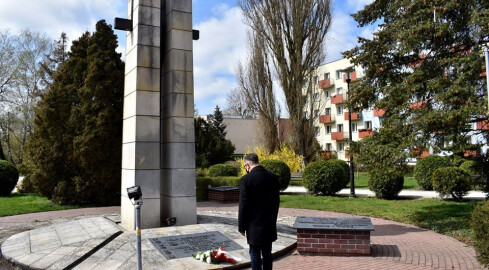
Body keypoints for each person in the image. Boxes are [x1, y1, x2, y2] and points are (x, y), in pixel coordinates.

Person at [238, 153, 280, 270]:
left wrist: (241, 227)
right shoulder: (273, 177)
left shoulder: (246, 180)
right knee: (267, 253)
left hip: (253, 225)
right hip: (269, 223)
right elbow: (276, 202)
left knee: (255, 253)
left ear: (247, 165)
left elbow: (243, 205)